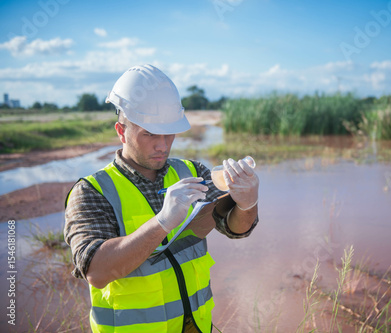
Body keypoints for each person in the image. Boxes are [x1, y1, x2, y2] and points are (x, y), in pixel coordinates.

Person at [64, 64, 259, 333]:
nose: (163, 145)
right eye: (150, 134)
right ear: (122, 132)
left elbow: (236, 229)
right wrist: (163, 223)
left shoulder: (192, 172)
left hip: (197, 326)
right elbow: (97, 272)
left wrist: (247, 202)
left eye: (169, 133)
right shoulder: (92, 192)